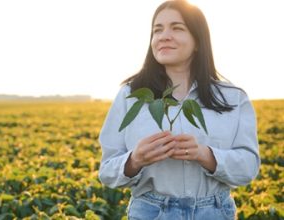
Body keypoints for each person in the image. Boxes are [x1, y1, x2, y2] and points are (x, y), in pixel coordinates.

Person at [98, 0, 260, 219]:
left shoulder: (233, 98)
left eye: (177, 28)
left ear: (197, 41)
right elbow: (107, 170)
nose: (164, 36)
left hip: (214, 212)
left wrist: (206, 155)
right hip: (150, 212)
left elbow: (249, 167)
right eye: (157, 30)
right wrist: (134, 160)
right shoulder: (131, 94)